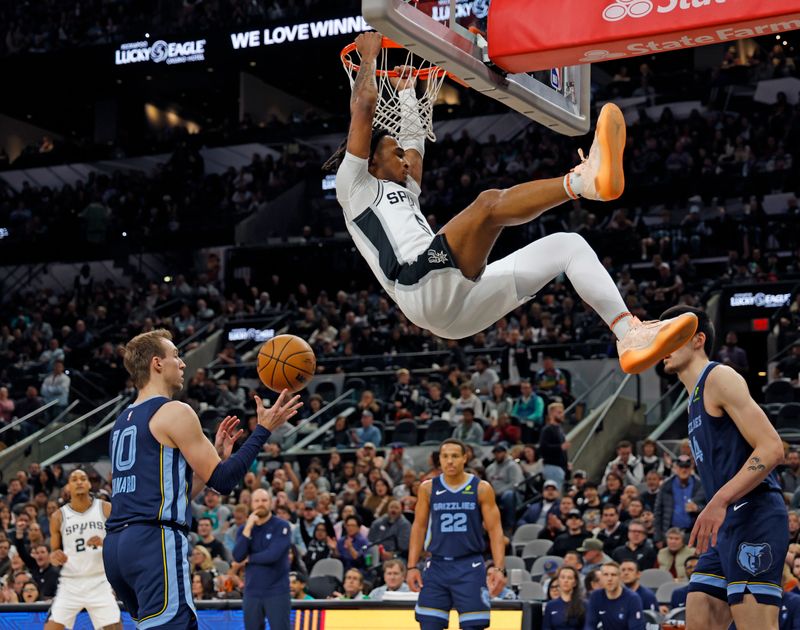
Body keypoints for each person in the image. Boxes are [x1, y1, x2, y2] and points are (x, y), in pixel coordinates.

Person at [331, 31, 697, 374]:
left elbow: (414, 138)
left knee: (568, 246)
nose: (406, 159)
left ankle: (628, 334)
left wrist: (409, 90)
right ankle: (582, 182)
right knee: (489, 206)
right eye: (395, 153)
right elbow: (363, 106)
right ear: (371, 161)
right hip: (417, 286)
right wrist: (368, 57)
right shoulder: (355, 187)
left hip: (456, 309)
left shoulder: (406, 185)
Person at [103, 329, 302, 628]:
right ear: (157, 363)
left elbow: (171, 495)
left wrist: (216, 459)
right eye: (176, 356)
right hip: (153, 543)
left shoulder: (121, 421)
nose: (182, 363)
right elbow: (223, 481)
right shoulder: (175, 411)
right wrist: (263, 430)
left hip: (118, 549)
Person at [661, 305, 788, 630]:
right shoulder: (692, 400)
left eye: (671, 337)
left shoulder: (719, 377)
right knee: (699, 613)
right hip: (727, 523)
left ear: (698, 339)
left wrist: (717, 501)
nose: (662, 346)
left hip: (755, 515)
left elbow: (773, 448)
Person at [407, 438, 507, 630]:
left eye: (454, 456)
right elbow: (418, 527)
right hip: (437, 565)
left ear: (464, 458)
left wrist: (499, 568)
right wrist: (411, 567)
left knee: (473, 626)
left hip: (469, 565)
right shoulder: (427, 488)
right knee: (428, 624)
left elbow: (495, 530)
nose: (449, 461)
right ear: (440, 460)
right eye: (445, 456)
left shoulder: (481, 488)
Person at [46, 468, 120, 630]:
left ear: (88, 484)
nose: (79, 481)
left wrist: (105, 542)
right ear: (68, 487)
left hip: (100, 580)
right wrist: (56, 557)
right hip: (71, 582)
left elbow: (121, 542)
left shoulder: (106, 508)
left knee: (114, 627)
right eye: (74, 479)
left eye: (83, 478)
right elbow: (53, 555)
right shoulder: (58, 516)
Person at [233, 488, 292, 630]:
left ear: (271, 503)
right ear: (251, 504)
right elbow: (237, 556)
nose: (261, 504)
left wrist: (249, 559)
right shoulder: (244, 530)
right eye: (257, 501)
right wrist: (248, 528)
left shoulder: (282, 526)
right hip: (252, 592)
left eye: (264, 500)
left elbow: (273, 555)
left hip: (277, 591)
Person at [653, 455, 706, 544]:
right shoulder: (666, 486)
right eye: (681, 467)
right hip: (670, 534)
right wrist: (658, 537)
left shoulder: (701, 486)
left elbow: (709, 507)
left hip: (693, 534)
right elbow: (658, 512)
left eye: (686, 467)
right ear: (676, 468)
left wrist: (697, 508)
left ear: (691, 468)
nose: (684, 470)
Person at [584, 561, 646, 630]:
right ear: (601, 578)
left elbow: (636, 627)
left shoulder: (632, 598)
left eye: (613, 575)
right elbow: (590, 624)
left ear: (620, 577)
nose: (609, 579)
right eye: (605, 575)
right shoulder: (596, 596)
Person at [485, 443, 524, 532]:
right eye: (495, 452)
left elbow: (515, 483)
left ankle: (509, 526)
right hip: (494, 494)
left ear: (505, 453)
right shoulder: (489, 468)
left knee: (508, 495)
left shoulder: (513, 466)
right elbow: (488, 483)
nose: (497, 455)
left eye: (499, 452)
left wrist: (499, 492)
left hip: (514, 494)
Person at [539, 402, 569, 486]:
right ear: (551, 414)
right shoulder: (547, 430)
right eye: (559, 412)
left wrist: (566, 465)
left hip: (560, 468)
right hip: (552, 467)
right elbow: (543, 448)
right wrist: (560, 447)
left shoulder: (560, 429)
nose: (562, 415)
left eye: (562, 412)